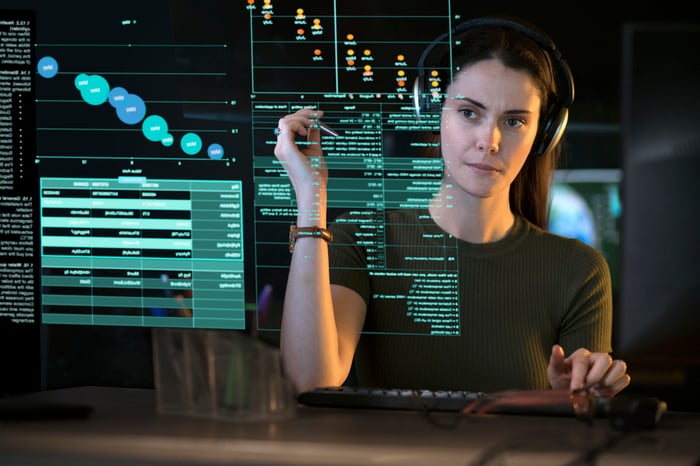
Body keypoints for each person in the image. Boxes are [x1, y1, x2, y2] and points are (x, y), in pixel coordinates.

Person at [272, 17, 631, 399]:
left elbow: (582, 424)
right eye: (468, 112)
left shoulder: (579, 271)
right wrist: (311, 196)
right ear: (432, 113)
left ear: (543, 134)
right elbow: (308, 383)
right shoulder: (361, 239)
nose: (488, 141)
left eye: (514, 121)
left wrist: (579, 398)